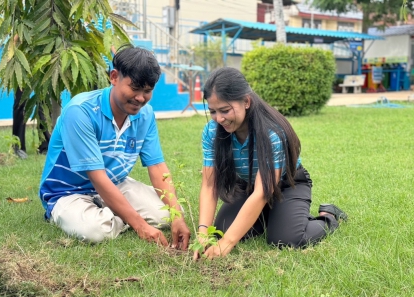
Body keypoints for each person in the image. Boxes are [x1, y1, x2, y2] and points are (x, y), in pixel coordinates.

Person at [39, 45, 190, 249]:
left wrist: (177, 217)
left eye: (147, 91)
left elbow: (157, 167)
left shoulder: (145, 115)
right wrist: (139, 225)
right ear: (114, 77)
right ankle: (106, 215)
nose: (140, 98)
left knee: (168, 213)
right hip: (68, 192)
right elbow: (97, 176)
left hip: (116, 183)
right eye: (135, 88)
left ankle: (111, 211)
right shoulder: (80, 112)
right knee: (95, 231)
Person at [194, 67, 347, 260]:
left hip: (287, 185)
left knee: (286, 239)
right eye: (213, 111)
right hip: (248, 185)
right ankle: (270, 215)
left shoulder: (272, 133)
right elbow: (209, 185)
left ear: (246, 101)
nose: (219, 119)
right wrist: (203, 233)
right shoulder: (212, 131)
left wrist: (227, 244)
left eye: (225, 110)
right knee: (222, 231)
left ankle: (329, 216)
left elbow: (262, 192)